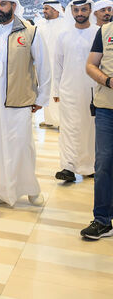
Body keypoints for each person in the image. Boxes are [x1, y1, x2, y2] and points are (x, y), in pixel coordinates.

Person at [0, 0, 51, 207]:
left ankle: (29, 189)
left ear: (13, 6)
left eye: (2, 4)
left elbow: (44, 65)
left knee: (22, 146)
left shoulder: (30, 32)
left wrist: (43, 96)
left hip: (19, 100)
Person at [52, 0, 98, 183]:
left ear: (90, 11)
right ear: (71, 12)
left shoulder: (98, 33)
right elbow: (58, 64)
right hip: (68, 89)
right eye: (76, 10)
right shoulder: (63, 35)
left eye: (84, 10)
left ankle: (89, 167)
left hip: (92, 90)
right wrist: (56, 90)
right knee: (69, 128)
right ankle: (68, 167)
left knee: (89, 129)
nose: (80, 14)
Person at [82, 15, 113, 239]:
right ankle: (102, 220)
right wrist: (109, 81)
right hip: (106, 109)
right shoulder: (105, 31)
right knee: (103, 164)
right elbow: (91, 65)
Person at [39, 0, 65, 129]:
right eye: (44, 8)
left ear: (55, 10)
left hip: (59, 64)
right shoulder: (42, 24)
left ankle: (61, 122)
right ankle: (49, 119)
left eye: (47, 9)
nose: (44, 11)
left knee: (58, 92)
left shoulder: (64, 24)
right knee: (46, 90)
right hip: (45, 63)